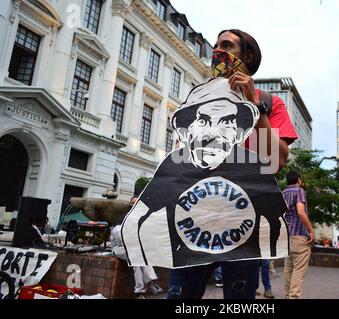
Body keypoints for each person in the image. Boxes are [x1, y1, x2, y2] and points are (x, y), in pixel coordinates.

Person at [162, 29, 298, 300]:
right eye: (216, 46)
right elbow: (182, 160)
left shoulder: (271, 104)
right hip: (194, 221)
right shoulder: (199, 101)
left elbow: (273, 163)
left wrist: (254, 106)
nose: (218, 51)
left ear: (247, 55)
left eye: (227, 45)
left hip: (242, 226)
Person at [112, 196, 163, 299]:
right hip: (119, 248)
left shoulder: (138, 219)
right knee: (137, 256)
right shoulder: (122, 221)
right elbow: (122, 239)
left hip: (132, 250)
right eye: (133, 203)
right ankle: (150, 284)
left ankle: (141, 291)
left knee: (137, 260)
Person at [282, 171, 314, 299]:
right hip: (299, 234)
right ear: (298, 180)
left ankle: (288, 295)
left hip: (286, 235)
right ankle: (293, 296)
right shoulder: (299, 191)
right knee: (299, 268)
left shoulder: (283, 193)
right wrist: (311, 230)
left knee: (288, 267)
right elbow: (301, 212)